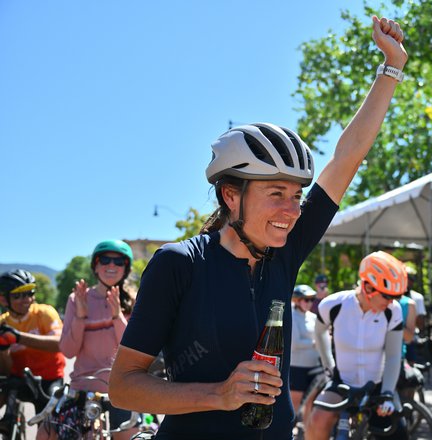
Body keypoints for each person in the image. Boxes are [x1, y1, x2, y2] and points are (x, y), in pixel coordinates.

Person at [108, 16, 408, 440]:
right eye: (275, 194)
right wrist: (219, 394)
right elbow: (122, 387)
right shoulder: (180, 264)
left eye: (296, 195)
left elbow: (347, 157)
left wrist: (391, 68)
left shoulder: (284, 251)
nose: (291, 209)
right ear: (232, 196)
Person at [37, 240, 138, 440]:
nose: (111, 265)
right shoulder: (77, 299)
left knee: (132, 435)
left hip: (120, 388)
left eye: (119, 262)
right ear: (95, 265)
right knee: (45, 433)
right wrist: (80, 317)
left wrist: (117, 316)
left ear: (126, 268)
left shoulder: (135, 301)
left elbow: (132, 349)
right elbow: (68, 351)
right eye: (105, 260)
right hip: (82, 389)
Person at [306, 251, 408, 440]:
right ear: (368, 288)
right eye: (387, 296)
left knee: (399, 432)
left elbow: (394, 356)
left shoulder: (392, 312)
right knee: (317, 420)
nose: (392, 302)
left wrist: (386, 393)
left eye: (396, 297)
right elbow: (319, 332)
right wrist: (328, 366)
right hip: (342, 382)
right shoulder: (333, 305)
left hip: (377, 386)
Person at [0, 270, 65, 422]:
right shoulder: (3, 323)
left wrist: (18, 338)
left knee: (48, 426)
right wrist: (3, 351)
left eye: (30, 293)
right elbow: (4, 369)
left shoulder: (44, 312)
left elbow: (60, 344)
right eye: (18, 295)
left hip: (49, 378)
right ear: (3, 300)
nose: (27, 299)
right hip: (17, 379)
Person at [289, 284, 320, 417]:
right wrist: (315, 343)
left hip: (314, 367)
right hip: (297, 368)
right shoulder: (291, 315)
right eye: (306, 300)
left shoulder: (313, 317)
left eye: (311, 299)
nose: (309, 303)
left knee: (311, 403)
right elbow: (295, 343)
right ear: (297, 300)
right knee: (295, 403)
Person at [402, 266, 426, 363]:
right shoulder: (389, 297)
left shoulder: (417, 298)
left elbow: (420, 322)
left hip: (411, 337)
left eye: (410, 279)